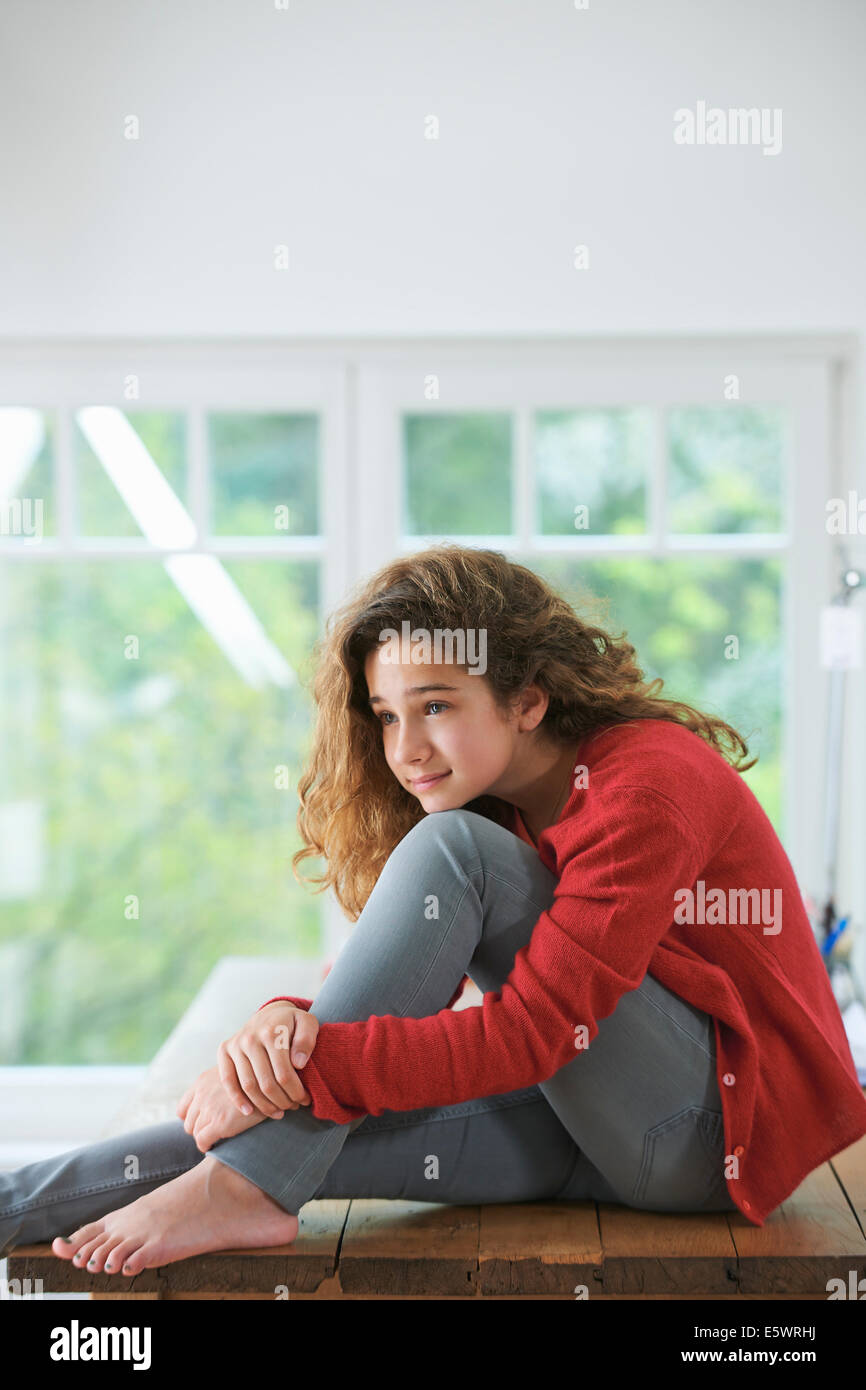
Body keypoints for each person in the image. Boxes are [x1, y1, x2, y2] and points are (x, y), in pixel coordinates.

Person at [3, 543, 865, 1280]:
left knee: (447, 859)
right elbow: (396, 990)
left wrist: (316, 1064)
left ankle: (247, 1186)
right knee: (263, 1138)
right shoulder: (504, 798)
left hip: (706, 1138)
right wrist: (283, 1033)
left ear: (528, 700)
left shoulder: (644, 787)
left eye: (436, 706)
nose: (406, 749)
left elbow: (533, 1032)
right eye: (386, 716)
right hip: (595, 1120)